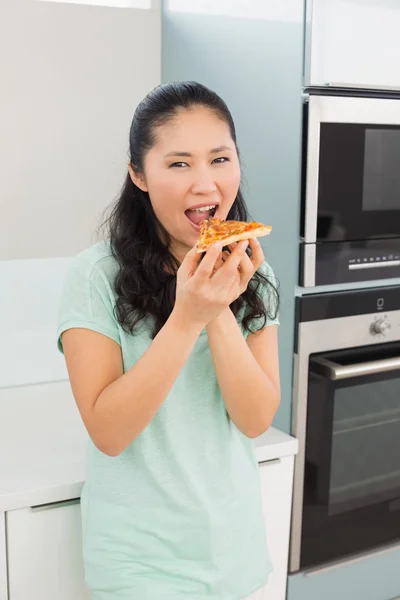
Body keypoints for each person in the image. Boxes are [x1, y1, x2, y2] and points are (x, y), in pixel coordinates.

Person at [57, 81, 280, 600]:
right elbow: (109, 433)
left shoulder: (252, 269)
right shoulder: (95, 276)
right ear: (139, 174)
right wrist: (186, 317)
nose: (205, 183)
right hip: (140, 565)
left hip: (234, 550)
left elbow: (254, 419)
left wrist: (219, 303)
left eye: (220, 158)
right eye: (179, 164)